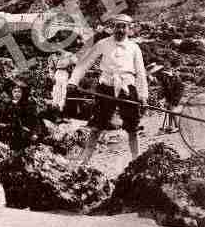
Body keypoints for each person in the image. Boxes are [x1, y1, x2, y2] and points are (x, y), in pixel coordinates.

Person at [67, 14, 149, 165]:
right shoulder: (102, 43)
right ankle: (84, 161)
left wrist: (143, 96)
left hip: (127, 88)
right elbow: (85, 62)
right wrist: (73, 80)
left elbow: (141, 72)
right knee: (97, 125)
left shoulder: (134, 48)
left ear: (129, 29)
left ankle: (136, 160)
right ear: (113, 27)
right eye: (118, 26)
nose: (120, 30)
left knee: (132, 127)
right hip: (106, 87)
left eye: (124, 27)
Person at [148, 63, 184, 133]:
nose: (165, 74)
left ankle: (176, 126)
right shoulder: (165, 77)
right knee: (169, 110)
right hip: (169, 96)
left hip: (175, 95)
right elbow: (160, 84)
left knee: (171, 110)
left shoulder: (176, 78)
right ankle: (171, 126)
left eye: (167, 73)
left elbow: (179, 89)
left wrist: (175, 99)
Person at [48, 48, 78, 114]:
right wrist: (52, 76)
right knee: (56, 90)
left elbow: (76, 62)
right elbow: (51, 67)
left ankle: (61, 108)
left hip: (65, 73)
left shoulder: (69, 54)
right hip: (57, 73)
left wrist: (72, 73)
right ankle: (54, 107)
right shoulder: (53, 56)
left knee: (64, 91)